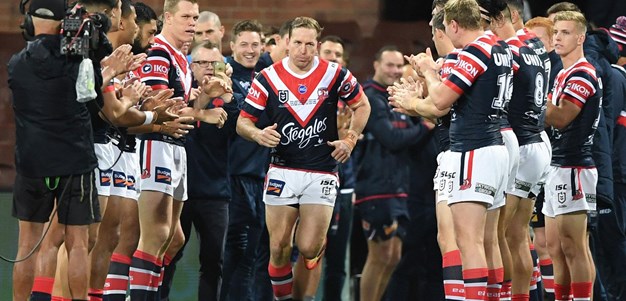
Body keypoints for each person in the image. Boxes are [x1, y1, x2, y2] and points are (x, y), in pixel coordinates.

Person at [236, 16, 371, 301]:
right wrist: (258, 135)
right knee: (278, 248)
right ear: (287, 42)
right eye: (297, 43)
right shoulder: (269, 77)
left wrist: (350, 138)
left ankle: (308, 264)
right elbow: (243, 122)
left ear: (317, 45)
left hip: (321, 170)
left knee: (309, 247)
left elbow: (362, 105)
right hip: (282, 170)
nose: (303, 50)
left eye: (310, 44)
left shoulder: (335, 74)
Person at [390, 0, 512, 299]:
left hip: (472, 149)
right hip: (495, 147)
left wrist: (429, 76)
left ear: (454, 25)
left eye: (444, 28)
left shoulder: (474, 52)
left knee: (467, 239)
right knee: (488, 240)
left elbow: (442, 102)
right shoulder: (500, 48)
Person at [129, 0, 229, 299]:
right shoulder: (158, 52)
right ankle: (136, 293)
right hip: (155, 146)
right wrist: (202, 114)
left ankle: (146, 291)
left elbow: (181, 107)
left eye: (196, 17)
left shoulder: (181, 57)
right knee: (155, 234)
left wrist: (204, 99)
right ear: (168, 17)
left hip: (176, 147)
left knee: (174, 238)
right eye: (186, 16)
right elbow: (159, 108)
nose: (192, 23)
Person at [9, 0, 101, 300]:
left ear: (30, 23)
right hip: (74, 163)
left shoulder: (16, 64)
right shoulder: (78, 61)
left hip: (32, 165)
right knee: (77, 243)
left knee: (26, 246)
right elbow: (93, 97)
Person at [355, 45, 429, 301]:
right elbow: (392, 138)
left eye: (399, 66)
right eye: (390, 65)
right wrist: (425, 124)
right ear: (375, 65)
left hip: (399, 187)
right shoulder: (368, 98)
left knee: (394, 256)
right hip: (375, 187)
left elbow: (409, 134)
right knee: (379, 256)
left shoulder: (399, 96)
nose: (395, 71)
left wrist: (418, 109)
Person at [543, 11, 602, 301]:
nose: (557, 38)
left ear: (581, 37)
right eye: (555, 32)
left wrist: (531, 97)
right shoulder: (563, 72)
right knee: (555, 246)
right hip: (557, 165)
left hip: (575, 166)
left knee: (574, 245)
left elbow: (562, 117)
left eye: (565, 32)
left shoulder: (583, 72)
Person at [219, 19, 268, 301]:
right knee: (232, 254)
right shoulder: (223, 74)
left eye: (255, 45)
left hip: (260, 178)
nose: (250, 50)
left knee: (253, 255)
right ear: (233, 45)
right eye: (244, 44)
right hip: (231, 177)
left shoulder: (265, 78)